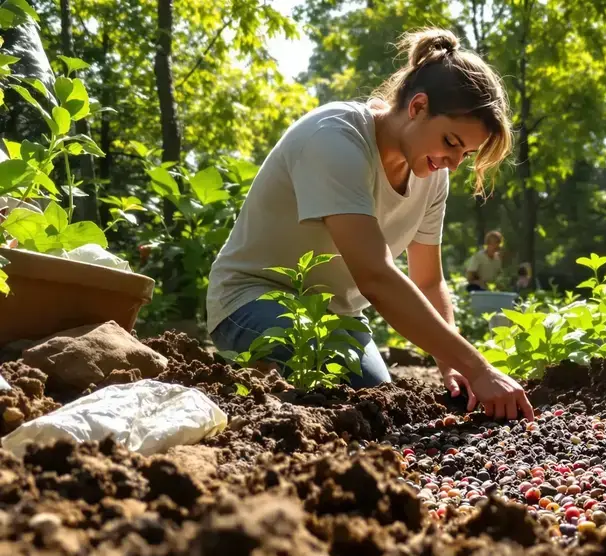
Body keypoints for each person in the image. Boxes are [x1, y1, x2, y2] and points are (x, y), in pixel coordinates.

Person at [205, 27, 534, 420]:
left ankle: (273, 380)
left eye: (465, 153)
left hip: (338, 318)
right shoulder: (335, 138)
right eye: (450, 142)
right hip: (250, 299)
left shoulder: (432, 177)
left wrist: (453, 362)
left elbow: (428, 280)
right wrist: (480, 368)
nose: (453, 162)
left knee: (377, 399)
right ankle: (254, 381)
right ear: (418, 107)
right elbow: (375, 275)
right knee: (357, 399)